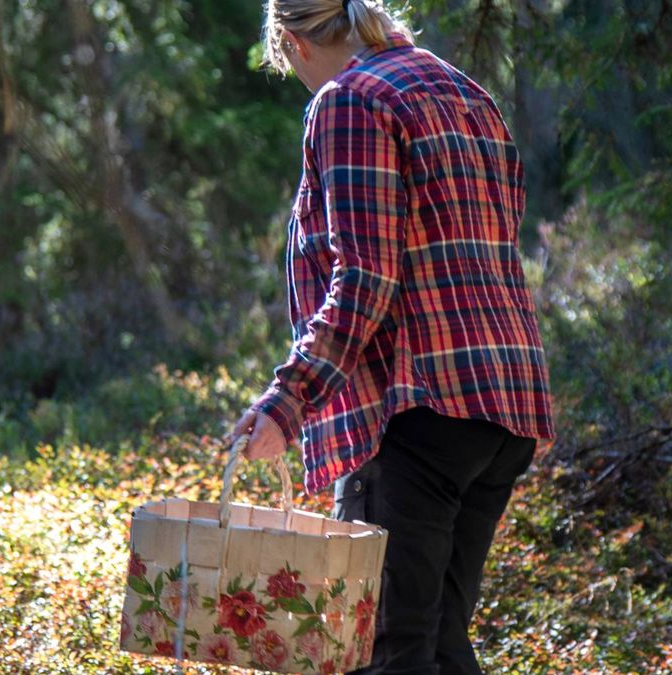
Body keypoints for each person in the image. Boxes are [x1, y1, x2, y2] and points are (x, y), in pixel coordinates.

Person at [228, 1, 555, 672]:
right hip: (506, 406)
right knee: (435, 642)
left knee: (380, 648)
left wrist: (286, 404)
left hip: (418, 417)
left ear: (291, 43)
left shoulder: (349, 101)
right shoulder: (462, 90)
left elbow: (366, 278)